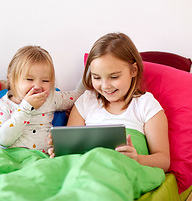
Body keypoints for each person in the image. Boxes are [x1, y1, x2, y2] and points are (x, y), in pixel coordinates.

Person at [55, 32, 170, 171]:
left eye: (114, 77)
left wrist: (138, 159)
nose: (105, 86)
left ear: (133, 70)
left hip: (122, 172)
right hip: (86, 170)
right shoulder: (86, 101)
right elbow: (70, 152)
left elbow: (163, 161)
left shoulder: (146, 105)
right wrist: (59, 151)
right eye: (97, 77)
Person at [0, 45, 85, 153]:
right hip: (11, 159)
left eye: (45, 80)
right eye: (30, 79)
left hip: (42, 160)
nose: (38, 86)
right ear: (12, 79)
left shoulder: (50, 98)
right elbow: (4, 140)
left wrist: (90, 70)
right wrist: (26, 108)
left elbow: (79, 95)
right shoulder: (0, 106)